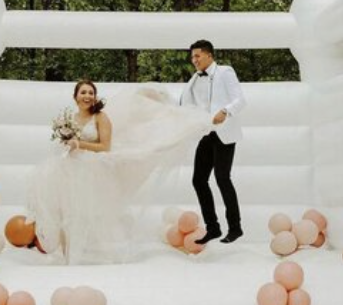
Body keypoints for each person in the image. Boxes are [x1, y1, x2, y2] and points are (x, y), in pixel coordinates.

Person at [27, 79, 211, 264]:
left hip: (91, 169)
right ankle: (68, 254)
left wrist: (79, 144)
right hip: (70, 168)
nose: (87, 96)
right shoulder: (70, 119)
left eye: (91, 92)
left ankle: (89, 254)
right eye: (83, 92)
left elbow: (104, 146)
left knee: (87, 212)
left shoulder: (100, 117)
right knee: (67, 210)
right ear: (75, 97)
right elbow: (65, 143)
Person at [180, 40, 246, 244]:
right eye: (192, 57)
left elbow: (240, 100)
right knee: (198, 180)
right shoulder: (194, 79)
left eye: (197, 56)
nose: (194, 60)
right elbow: (186, 104)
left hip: (225, 132)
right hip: (206, 133)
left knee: (222, 178)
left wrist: (225, 111)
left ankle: (235, 228)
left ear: (209, 55)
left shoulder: (225, 72)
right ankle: (213, 228)